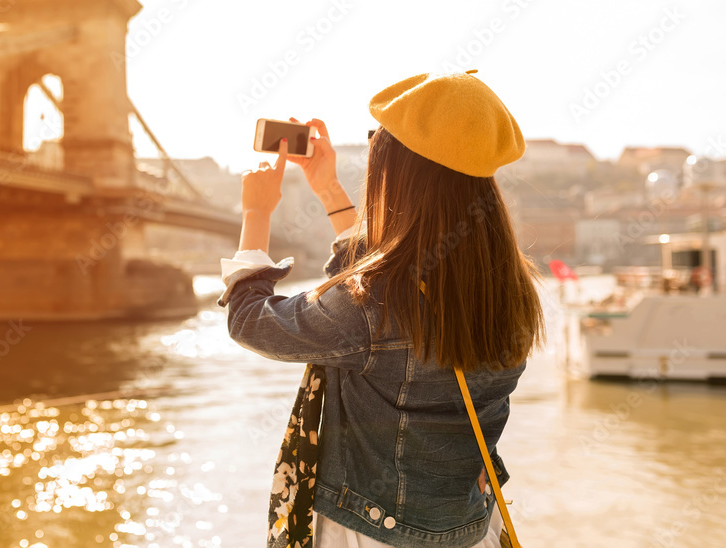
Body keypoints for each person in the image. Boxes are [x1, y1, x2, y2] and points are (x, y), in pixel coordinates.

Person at [218, 71, 545, 547]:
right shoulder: (514, 288)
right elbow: (372, 282)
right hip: (473, 529)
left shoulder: (372, 305)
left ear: (403, 170)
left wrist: (256, 214)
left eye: (379, 144)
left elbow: (250, 320)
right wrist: (329, 190)